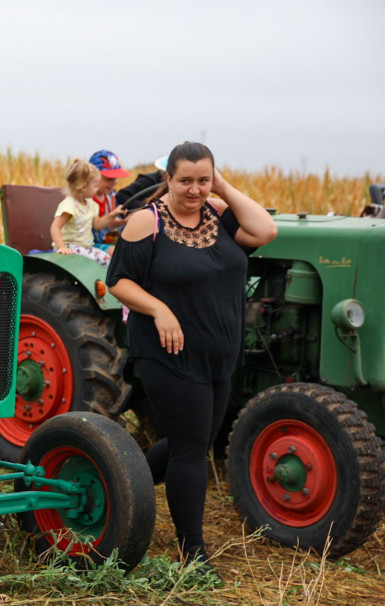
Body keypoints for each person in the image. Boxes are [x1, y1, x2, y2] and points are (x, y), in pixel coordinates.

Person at [105, 141, 277, 575]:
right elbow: (118, 281)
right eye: (186, 180)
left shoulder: (219, 215)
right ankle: (192, 554)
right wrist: (159, 308)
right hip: (169, 352)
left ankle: (125, 481)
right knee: (190, 452)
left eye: (204, 180)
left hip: (219, 351)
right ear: (169, 179)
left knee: (194, 441)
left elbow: (265, 231)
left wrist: (222, 187)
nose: (194, 189)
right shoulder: (147, 223)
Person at [50, 160, 123, 265]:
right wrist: (61, 247)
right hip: (70, 245)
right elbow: (55, 227)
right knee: (91, 260)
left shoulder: (91, 204)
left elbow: (97, 225)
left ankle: (105, 281)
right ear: (84, 187)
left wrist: (114, 213)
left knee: (106, 258)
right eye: (95, 186)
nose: (97, 189)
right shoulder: (69, 205)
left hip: (86, 247)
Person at [88, 149, 131, 246]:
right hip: (91, 244)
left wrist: (126, 220)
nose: (114, 182)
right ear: (93, 176)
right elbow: (96, 225)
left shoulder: (110, 196)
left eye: (115, 178)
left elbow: (111, 223)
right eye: (109, 178)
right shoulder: (86, 199)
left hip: (108, 240)